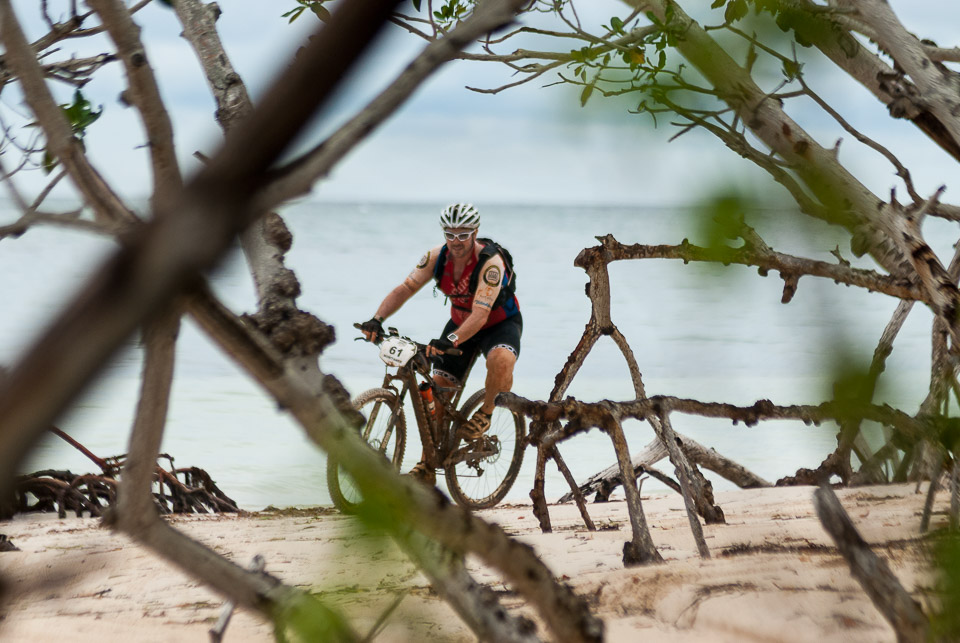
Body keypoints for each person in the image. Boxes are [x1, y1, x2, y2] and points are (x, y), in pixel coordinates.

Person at [358, 203, 521, 484]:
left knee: (500, 360)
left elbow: (481, 314)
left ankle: (485, 412)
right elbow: (406, 288)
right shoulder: (436, 257)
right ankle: (427, 465)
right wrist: (376, 319)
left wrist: (450, 340)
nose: (456, 241)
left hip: (498, 324)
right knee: (437, 393)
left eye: (463, 234)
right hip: (460, 323)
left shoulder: (491, 262)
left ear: (475, 233)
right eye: (450, 234)